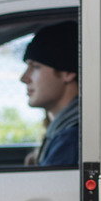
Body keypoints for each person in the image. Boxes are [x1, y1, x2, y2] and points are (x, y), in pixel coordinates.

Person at [21, 21, 79, 167]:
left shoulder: (71, 138)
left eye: (35, 67)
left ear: (67, 73)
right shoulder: (63, 131)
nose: (24, 78)